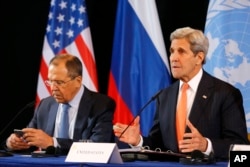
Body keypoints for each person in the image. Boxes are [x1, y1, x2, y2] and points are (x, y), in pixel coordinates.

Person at [113, 27, 249, 160]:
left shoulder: (225, 93)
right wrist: (139, 141)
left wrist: (206, 145)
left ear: (199, 57)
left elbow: (240, 145)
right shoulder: (165, 96)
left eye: (181, 52)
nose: (173, 58)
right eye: (172, 51)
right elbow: (159, 144)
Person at [5, 53, 116, 155]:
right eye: (50, 81)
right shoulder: (45, 105)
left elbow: (98, 146)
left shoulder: (101, 105)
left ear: (78, 81)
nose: (53, 88)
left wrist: (53, 142)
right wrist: (15, 143)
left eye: (59, 82)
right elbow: (30, 141)